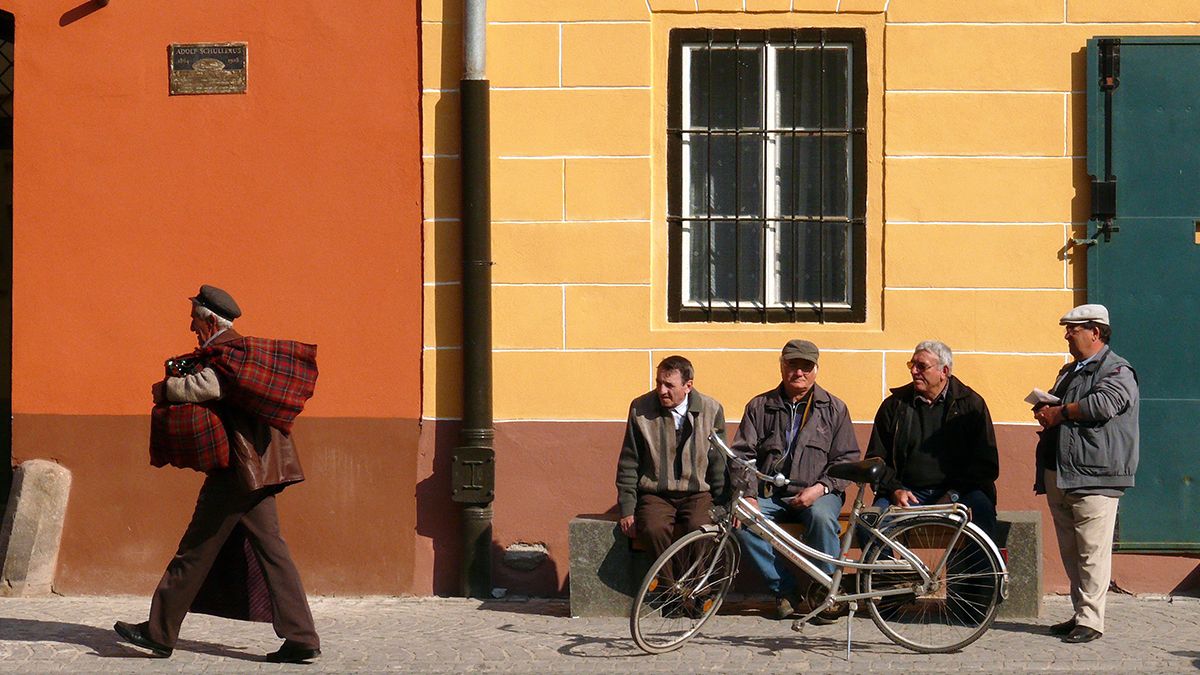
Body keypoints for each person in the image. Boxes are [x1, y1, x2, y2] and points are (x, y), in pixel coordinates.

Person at [115, 284, 321, 664]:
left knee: (195, 549)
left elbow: (205, 387)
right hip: (259, 469)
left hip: (237, 472)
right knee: (272, 551)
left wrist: (167, 388)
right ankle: (302, 636)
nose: (191, 326)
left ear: (209, 319)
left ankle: (158, 633)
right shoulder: (234, 353)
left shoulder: (230, 354)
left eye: (194, 318)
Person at [731, 339, 860, 621]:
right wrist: (749, 495)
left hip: (820, 492)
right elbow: (742, 455)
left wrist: (821, 488)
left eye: (806, 366)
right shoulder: (759, 406)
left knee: (822, 518)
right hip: (769, 493)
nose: (798, 373)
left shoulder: (835, 409)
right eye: (792, 365)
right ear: (782, 366)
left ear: (816, 370)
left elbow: (846, 459)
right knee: (742, 521)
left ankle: (827, 593)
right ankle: (785, 590)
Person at [1033, 304, 1138, 645]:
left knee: (1092, 551)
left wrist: (1060, 412)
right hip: (1062, 473)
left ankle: (1092, 620)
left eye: (1072, 329)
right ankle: (1082, 611)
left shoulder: (1117, 370)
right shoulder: (1070, 370)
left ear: (1095, 332)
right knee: (1071, 550)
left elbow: (1104, 405)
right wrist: (1045, 409)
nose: (1066, 334)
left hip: (1095, 475)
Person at [865, 340, 1000, 540]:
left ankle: (982, 573)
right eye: (912, 365)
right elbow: (876, 457)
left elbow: (987, 464)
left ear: (944, 371)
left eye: (922, 367)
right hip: (908, 493)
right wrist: (894, 489)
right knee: (869, 523)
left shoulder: (971, 405)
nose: (914, 372)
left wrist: (954, 493)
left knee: (982, 514)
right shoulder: (894, 405)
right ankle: (887, 572)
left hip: (960, 492)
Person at [615, 355, 728, 562]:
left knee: (701, 530)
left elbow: (719, 462)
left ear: (688, 386)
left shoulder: (711, 410)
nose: (662, 390)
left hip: (698, 493)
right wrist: (627, 508)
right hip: (656, 494)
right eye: (658, 383)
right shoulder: (640, 408)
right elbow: (629, 461)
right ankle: (670, 590)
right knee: (652, 529)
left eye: (669, 385)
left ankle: (697, 588)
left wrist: (723, 504)